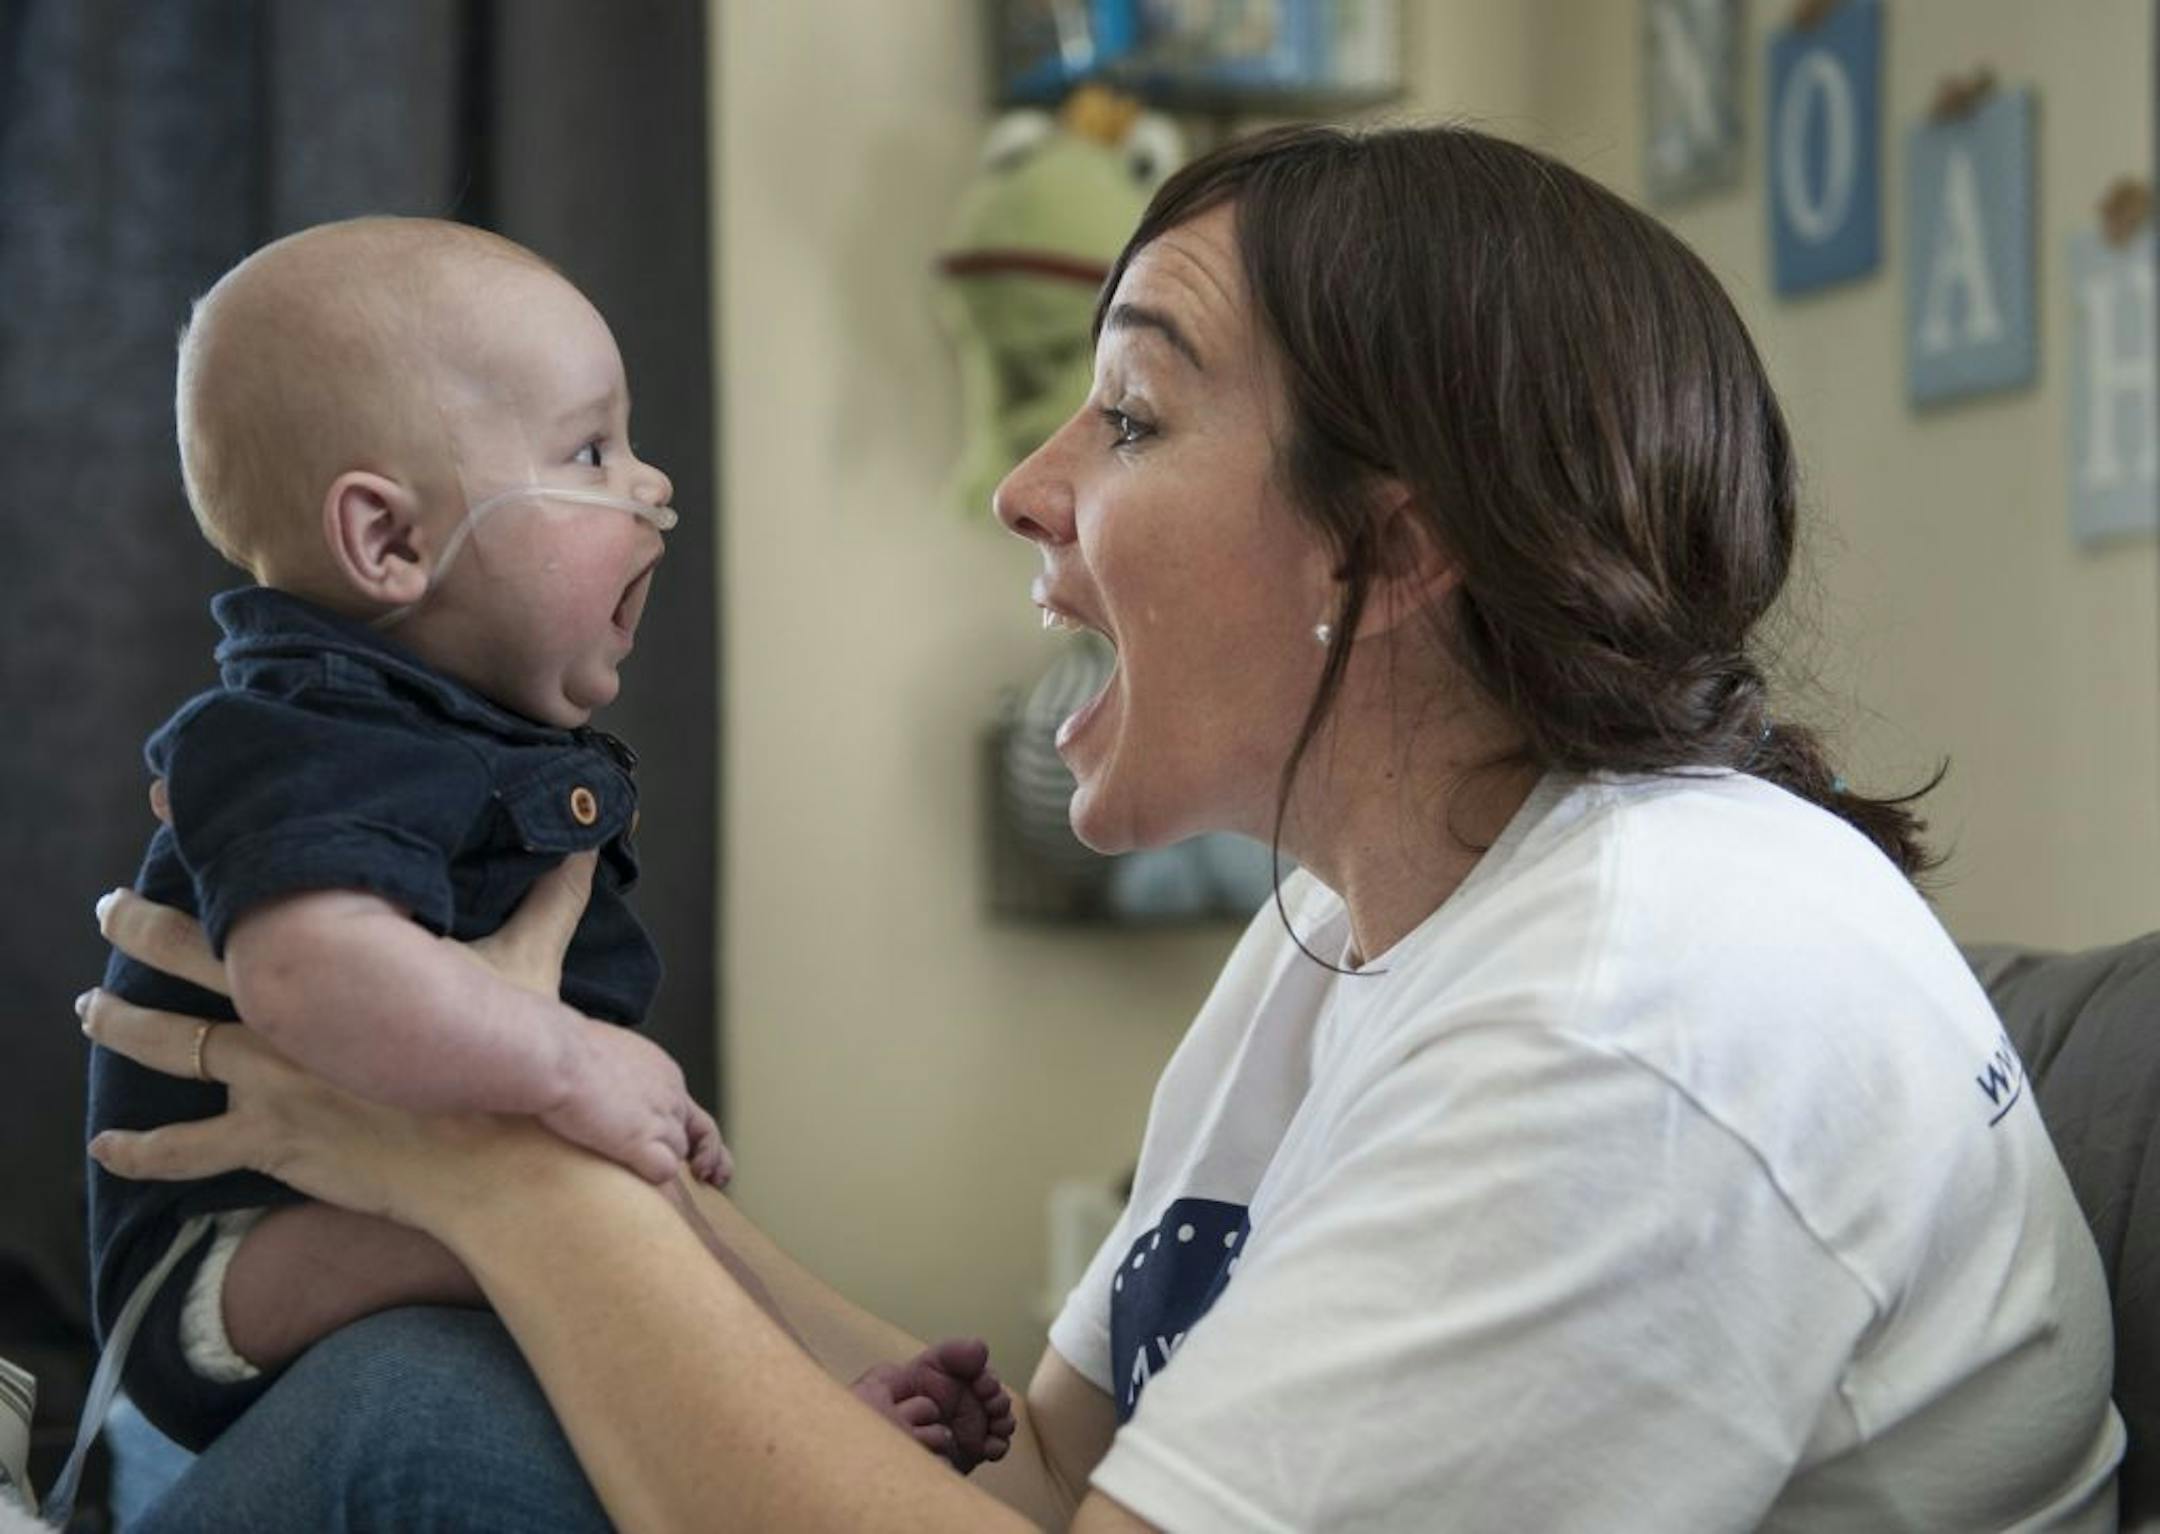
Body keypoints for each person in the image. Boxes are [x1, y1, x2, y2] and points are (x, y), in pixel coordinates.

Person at [82, 123, 2124, 1531]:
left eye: (1132, 416)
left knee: (407, 1425)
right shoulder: (1355, 925)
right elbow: (1051, 1464)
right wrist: (585, 1180)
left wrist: (499, 1179)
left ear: (1389, 543)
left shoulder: (1644, 1010)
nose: (1029, 485)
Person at [85, 218, 1011, 1471]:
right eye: (589, 450)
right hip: (231, 1271)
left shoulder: (461, 730)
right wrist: (568, 1064)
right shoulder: (299, 728)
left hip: (387, 1204)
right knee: (567, 1222)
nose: (650, 483)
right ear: (390, 542)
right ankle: (794, 1426)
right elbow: (304, 974)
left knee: (596, 1230)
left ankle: (815, 1414)